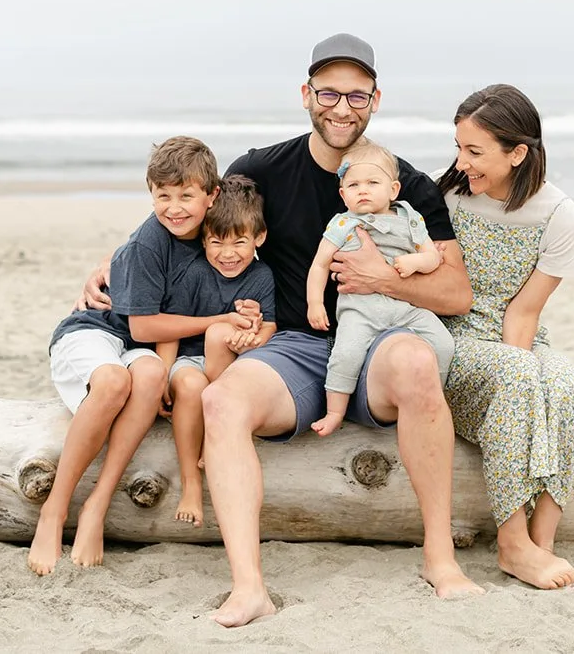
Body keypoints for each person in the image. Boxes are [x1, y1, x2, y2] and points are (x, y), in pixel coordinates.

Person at [78, 33, 483, 625]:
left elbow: (456, 292)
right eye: (328, 93)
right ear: (305, 95)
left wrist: (383, 279)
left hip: (378, 342)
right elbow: (182, 219)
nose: (341, 107)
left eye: (357, 95)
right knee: (220, 399)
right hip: (290, 346)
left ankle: (440, 557)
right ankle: (249, 587)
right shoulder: (262, 170)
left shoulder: (406, 185)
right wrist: (114, 264)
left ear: (375, 100)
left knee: (419, 362)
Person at [29, 136, 257, 575]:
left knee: (151, 379)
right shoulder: (151, 239)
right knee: (115, 381)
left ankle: (97, 504)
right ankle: (54, 512)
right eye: (162, 196)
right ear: (150, 194)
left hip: (138, 350)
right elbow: (144, 326)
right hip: (94, 330)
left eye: (186, 196)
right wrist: (217, 319)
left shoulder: (216, 237)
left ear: (212, 196)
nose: (174, 207)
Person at [436, 84, 574, 591]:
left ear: (518, 153)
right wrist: (517, 379)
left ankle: (541, 542)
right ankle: (510, 541)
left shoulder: (560, 216)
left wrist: (525, 388)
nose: (461, 163)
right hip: (452, 340)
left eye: (474, 152)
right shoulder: (449, 199)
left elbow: (524, 312)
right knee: (522, 374)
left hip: (513, 337)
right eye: (458, 147)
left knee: (562, 379)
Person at [138, 175, 278, 527]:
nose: (227, 254)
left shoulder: (262, 276)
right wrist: (160, 381)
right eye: (216, 242)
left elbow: (270, 325)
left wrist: (255, 338)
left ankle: (214, 439)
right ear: (204, 239)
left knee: (220, 335)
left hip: (230, 362)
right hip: (187, 359)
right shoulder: (195, 274)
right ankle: (190, 481)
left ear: (259, 238)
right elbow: (170, 328)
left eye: (240, 243)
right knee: (190, 385)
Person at [305, 140, 455, 436]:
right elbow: (320, 265)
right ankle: (335, 410)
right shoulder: (342, 224)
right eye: (354, 184)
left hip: (405, 307)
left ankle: (433, 397)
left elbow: (432, 256)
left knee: (443, 343)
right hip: (360, 309)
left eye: (373, 182)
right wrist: (315, 303)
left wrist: (415, 262)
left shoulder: (410, 217)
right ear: (343, 193)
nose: (363, 190)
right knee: (346, 353)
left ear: (393, 190)